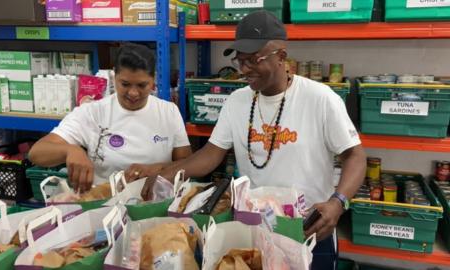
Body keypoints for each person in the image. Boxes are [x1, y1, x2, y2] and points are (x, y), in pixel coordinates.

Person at [139, 10, 367, 269]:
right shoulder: (237, 101)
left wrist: (338, 202)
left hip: (309, 228)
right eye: (240, 61)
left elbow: (355, 156)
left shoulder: (320, 99)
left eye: (253, 60)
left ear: (281, 56)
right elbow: (211, 154)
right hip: (255, 226)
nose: (245, 70)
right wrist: (168, 173)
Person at [29, 43, 192, 192]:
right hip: (105, 206)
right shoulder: (92, 112)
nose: (133, 93)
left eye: (142, 85)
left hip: (156, 203)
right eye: (125, 84)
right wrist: (70, 150)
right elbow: (36, 153)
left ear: (153, 80)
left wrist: (154, 169)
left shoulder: (168, 112)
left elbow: (186, 166)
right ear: (114, 78)